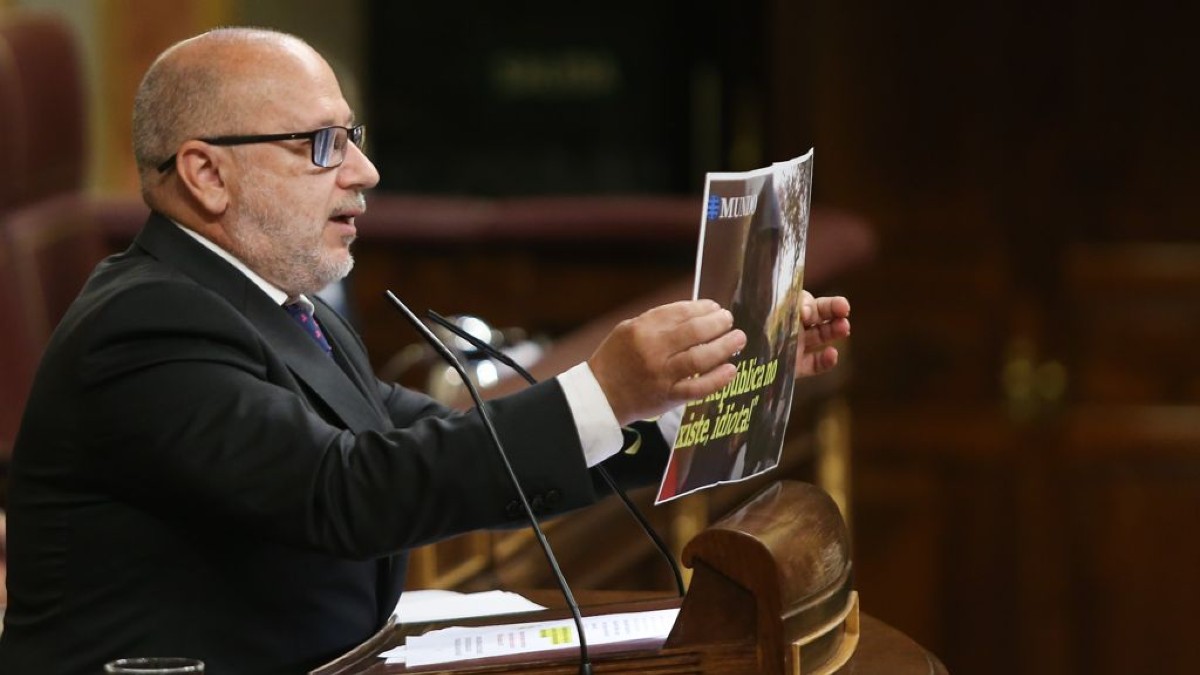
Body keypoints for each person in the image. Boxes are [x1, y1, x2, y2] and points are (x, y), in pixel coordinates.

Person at [0, 28, 850, 674]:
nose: (364, 171)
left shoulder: (284, 307)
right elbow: (351, 490)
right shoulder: (147, 325)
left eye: (353, 135)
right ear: (206, 174)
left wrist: (694, 399)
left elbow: (435, 443)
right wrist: (605, 383)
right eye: (321, 145)